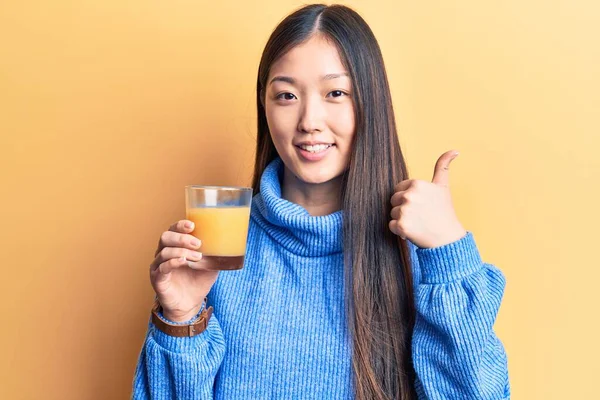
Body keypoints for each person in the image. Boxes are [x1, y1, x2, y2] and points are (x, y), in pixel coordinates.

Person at [132, 4, 510, 399]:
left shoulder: (423, 252)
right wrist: (180, 318)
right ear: (265, 106)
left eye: (335, 93)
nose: (309, 120)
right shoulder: (217, 247)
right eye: (287, 95)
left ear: (370, 104)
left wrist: (450, 255)